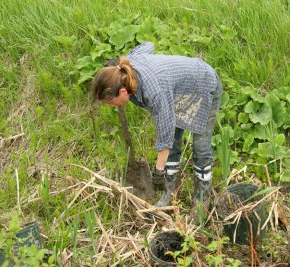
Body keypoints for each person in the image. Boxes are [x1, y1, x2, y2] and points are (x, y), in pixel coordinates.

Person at [92, 42, 222, 210]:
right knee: (174, 143)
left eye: (110, 102)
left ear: (122, 92)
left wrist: (159, 170)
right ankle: (170, 194)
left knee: (200, 148)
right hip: (175, 93)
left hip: (203, 85)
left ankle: (202, 201)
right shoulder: (126, 68)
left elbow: (165, 135)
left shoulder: (154, 92)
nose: (111, 106)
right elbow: (148, 45)